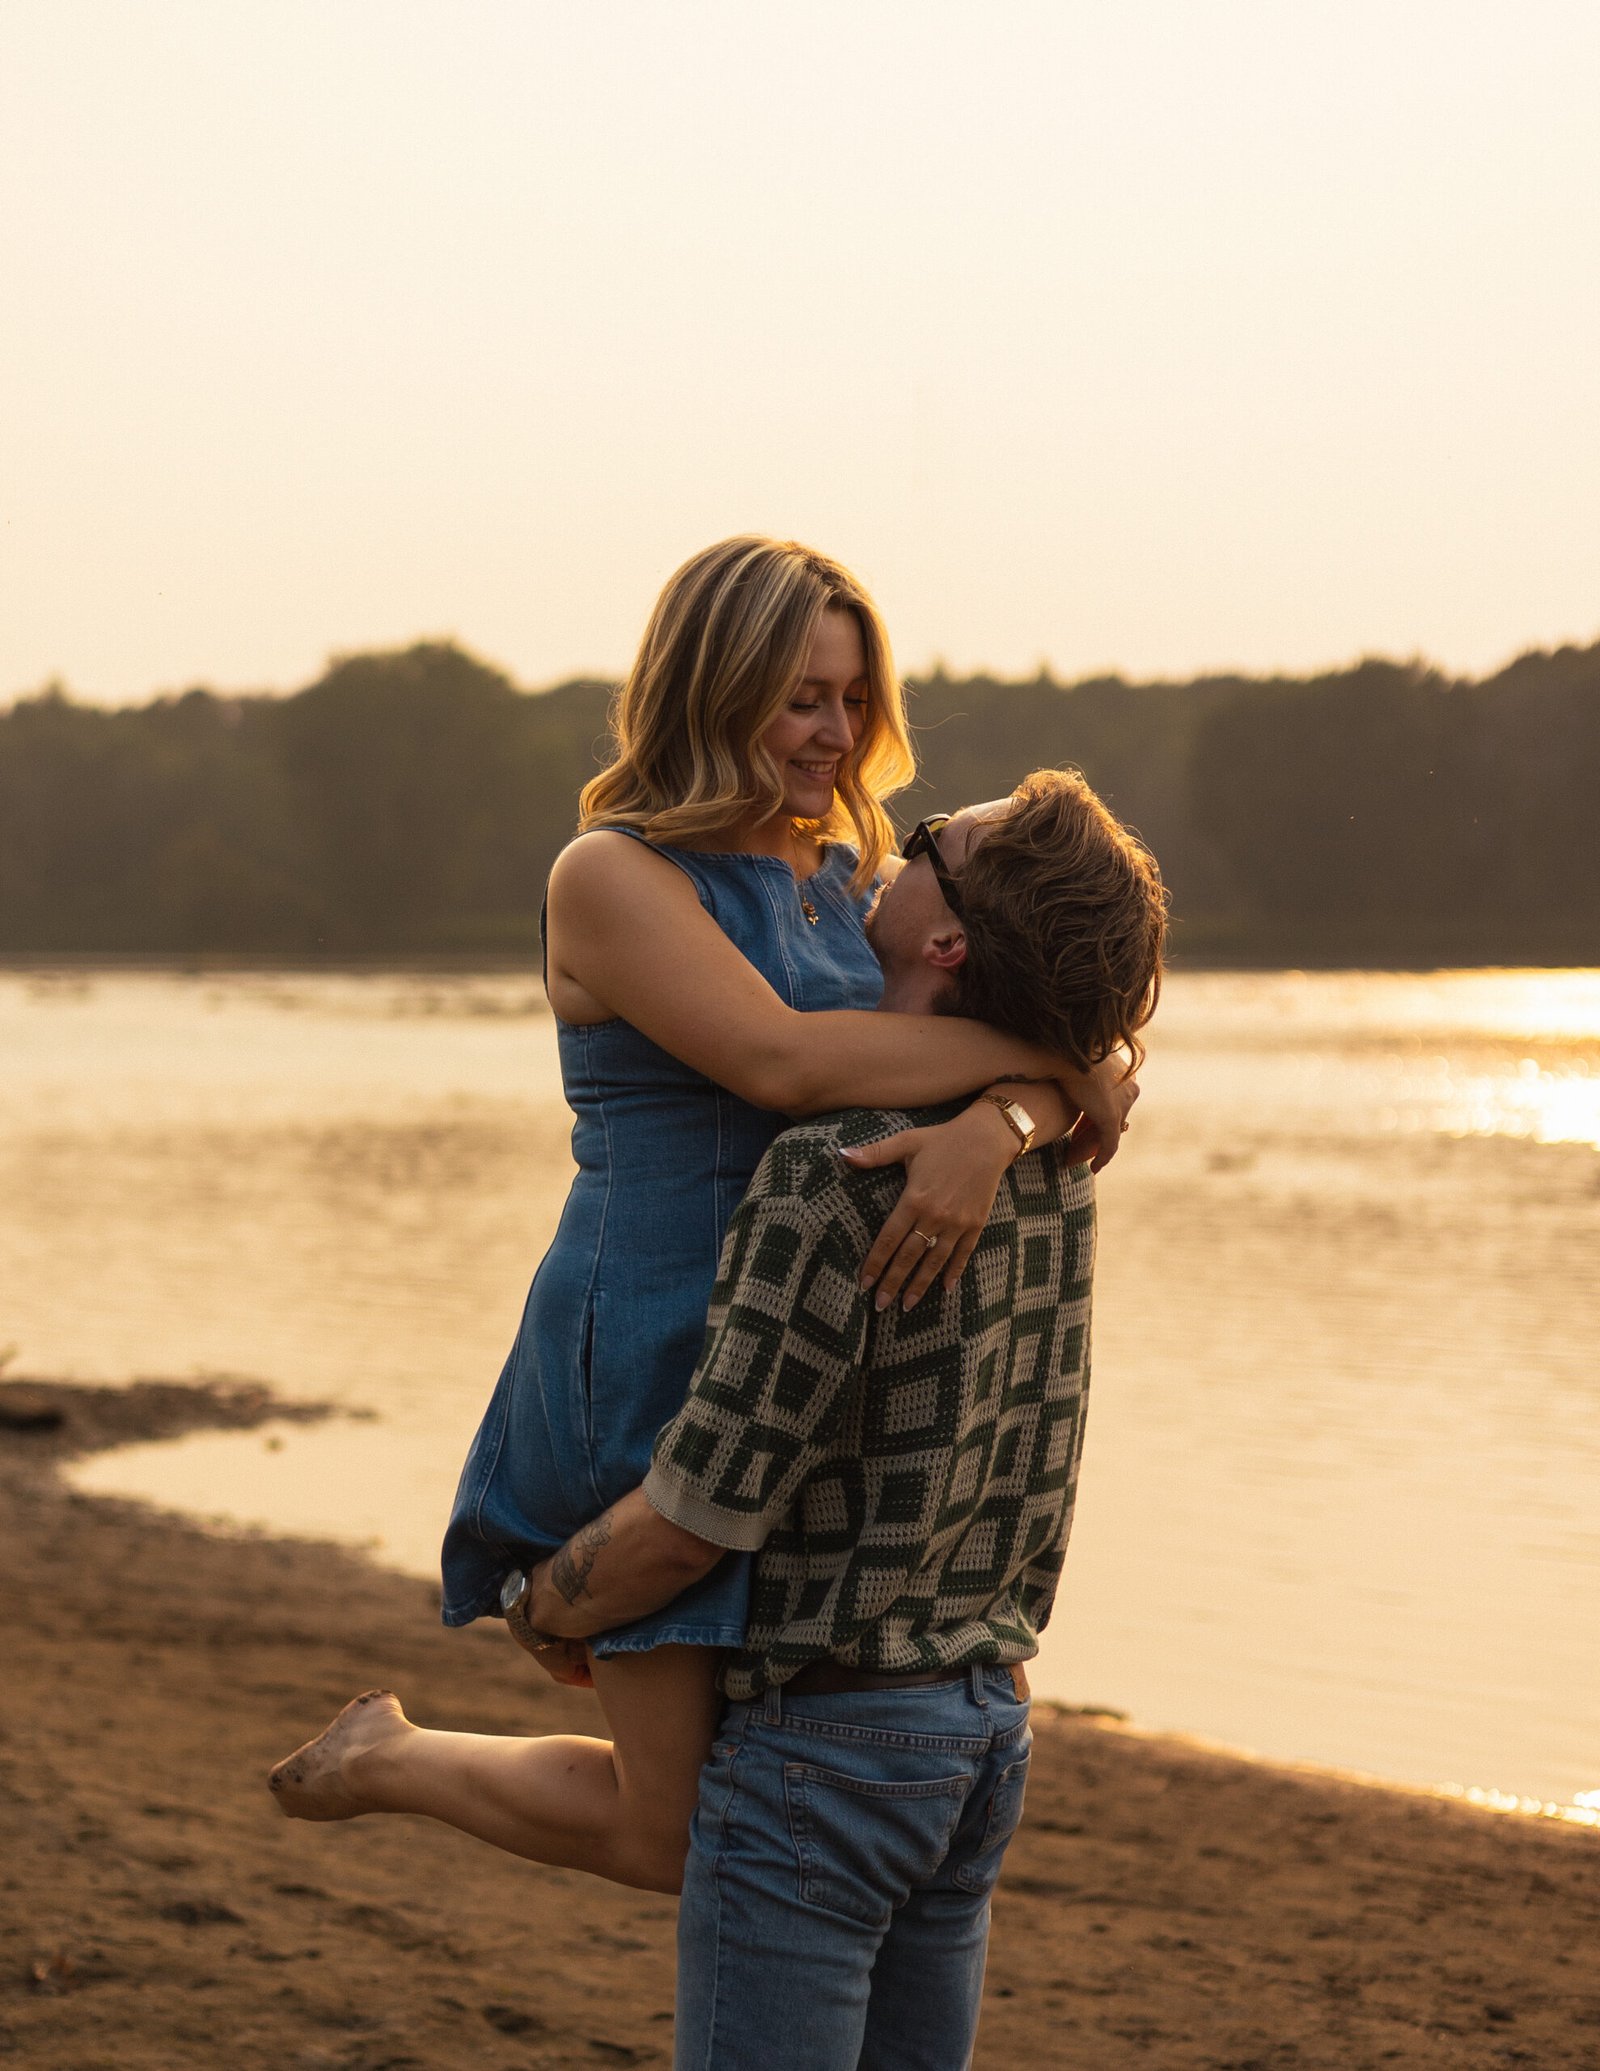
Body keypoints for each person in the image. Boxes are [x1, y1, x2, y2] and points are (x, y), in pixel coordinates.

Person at [269, 539, 1135, 1886]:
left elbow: (1039, 1032)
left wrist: (1002, 1121)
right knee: (671, 1832)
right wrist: (1049, 1069)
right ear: (708, 687)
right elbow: (785, 1064)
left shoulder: (833, 869)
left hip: (787, 1342)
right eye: (802, 698)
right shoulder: (608, 879)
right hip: (652, 1333)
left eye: (852, 700)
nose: (835, 733)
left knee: (753, 1779)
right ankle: (392, 1757)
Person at [493, 768, 1168, 2067]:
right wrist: (1027, 1099)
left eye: (924, 843)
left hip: (829, 1751)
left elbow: (698, 1515)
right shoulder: (1056, 1171)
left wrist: (550, 1606)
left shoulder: (834, 1181)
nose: (878, 858)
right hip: (984, 1729)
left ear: (946, 941)